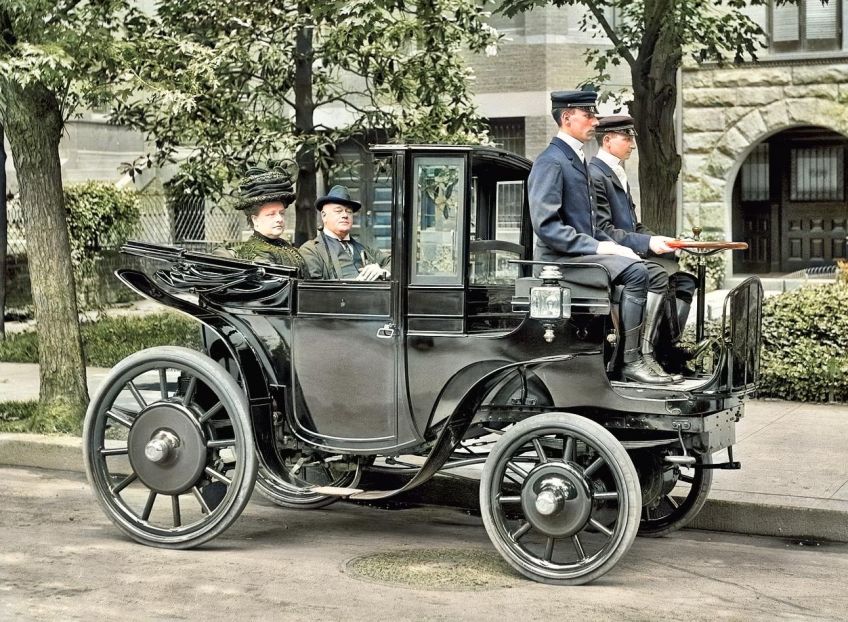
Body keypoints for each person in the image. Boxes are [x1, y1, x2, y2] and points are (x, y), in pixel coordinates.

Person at [527, 90, 673, 385]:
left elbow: (590, 223)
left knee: (643, 267)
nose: (595, 121)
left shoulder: (574, 159)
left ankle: (640, 355)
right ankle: (630, 361)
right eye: (588, 115)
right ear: (567, 117)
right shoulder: (552, 161)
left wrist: (614, 246)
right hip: (557, 262)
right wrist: (600, 246)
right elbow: (547, 226)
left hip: (576, 255)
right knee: (635, 272)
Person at [589, 115, 696, 371]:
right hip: (609, 258)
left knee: (685, 281)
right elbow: (602, 231)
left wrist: (665, 241)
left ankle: (668, 349)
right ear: (607, 140)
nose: (633, 144)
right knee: (658, 276)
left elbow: (632, 226)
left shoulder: (617, 173)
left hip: (627, 252)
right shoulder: (595, 175)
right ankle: (642, 356)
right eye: (626, 138)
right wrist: (648, 242)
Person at [224, 166, 306, 275]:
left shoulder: (285, 246)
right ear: (255, 220)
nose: (279, 219)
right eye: (271, 214)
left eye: (281, 213)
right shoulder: (255, 252)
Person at [299, 185, 391, 281]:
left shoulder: (364, 249)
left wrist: (383, 272)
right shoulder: (311, 251)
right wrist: (354, 284)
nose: (345, 215)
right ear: (324, 216)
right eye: (338, 211)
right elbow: (313, 289)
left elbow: (395, 262)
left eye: (349, 212)